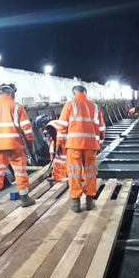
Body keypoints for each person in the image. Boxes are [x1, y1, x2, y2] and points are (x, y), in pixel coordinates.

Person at [0, 83, 36, 208]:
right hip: (15, 146)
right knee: (20, 172)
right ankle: (24, 199)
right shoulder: (17, 107)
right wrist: (30, 141)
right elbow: (26, 127)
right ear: (12, 93)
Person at [56, 84, 105, 212]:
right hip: (91, 146)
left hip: (74, 145)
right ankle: (89, 202)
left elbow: (62, 126)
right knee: (90, 173)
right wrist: (100, 144)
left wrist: (59, 143)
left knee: (74, 173)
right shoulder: (94, 107)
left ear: (74, 93)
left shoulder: (70, 104)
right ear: (86, 93)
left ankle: (76, 203)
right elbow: (101, 128)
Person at [34, 114, 67, 181]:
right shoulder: (55, 122)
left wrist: (56, 149)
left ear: (43, 122)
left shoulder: (50, 127)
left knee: (57, 160)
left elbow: (56, 138)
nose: (42, 128)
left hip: (63, 142)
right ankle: (65, 174)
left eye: (41, 126)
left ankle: (57, 176)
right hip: (67, 141)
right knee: (66, 160)